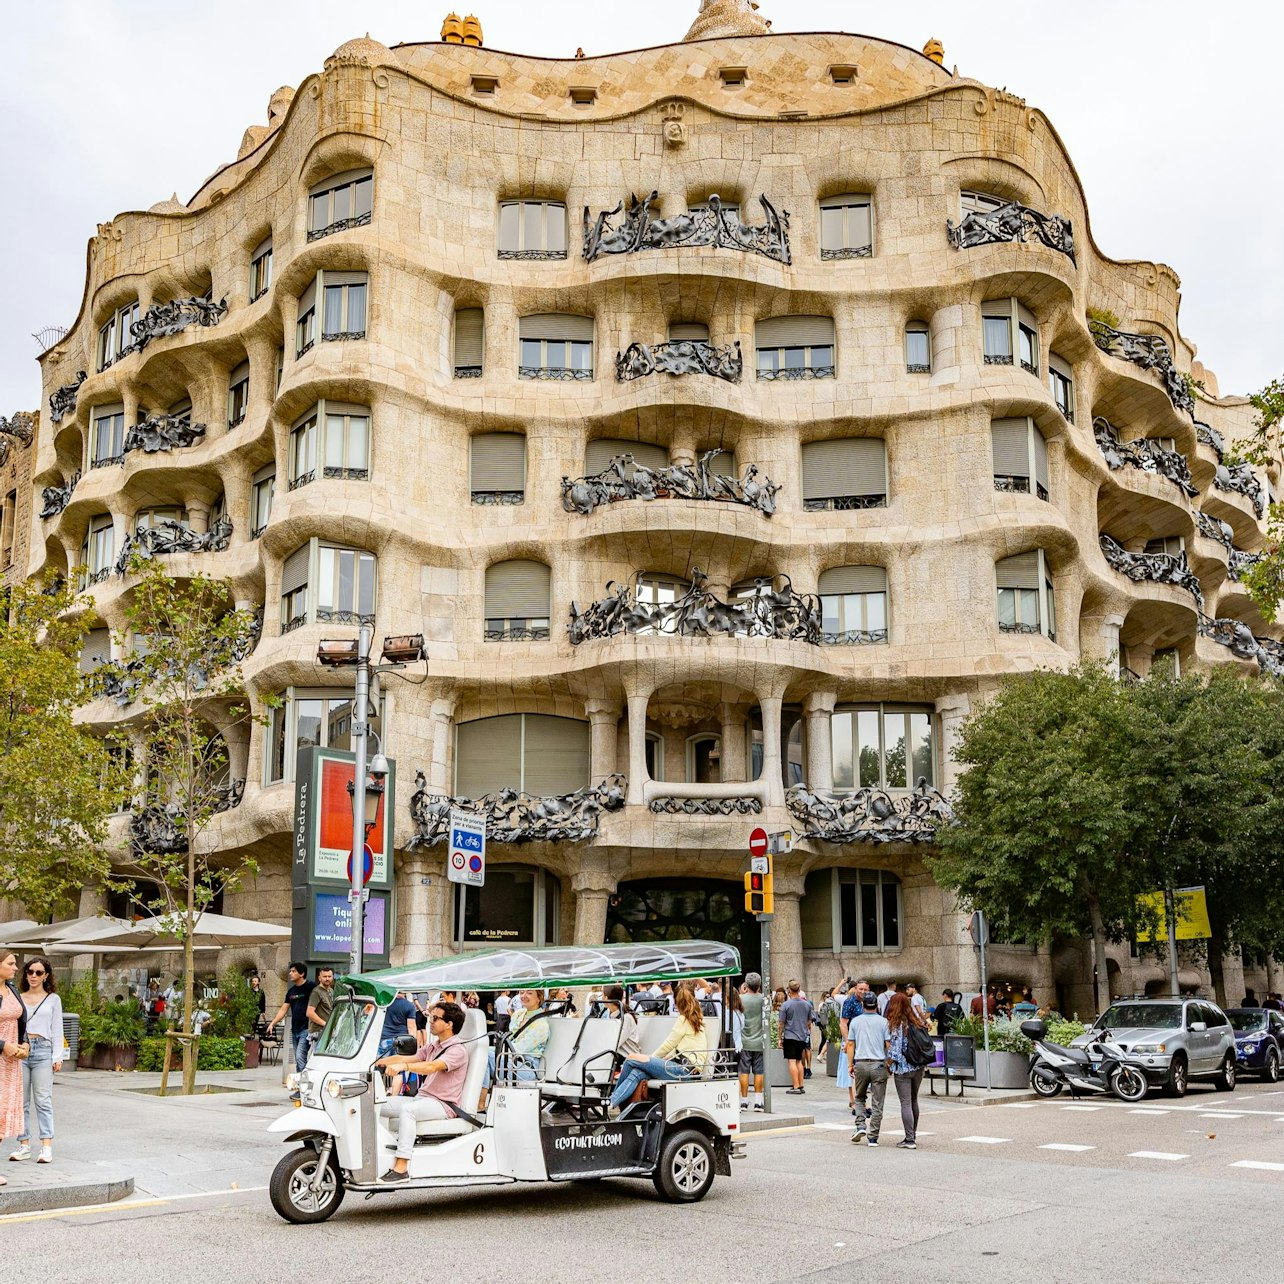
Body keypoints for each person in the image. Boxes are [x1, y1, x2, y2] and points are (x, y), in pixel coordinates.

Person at [375, 1001, 471, 1181]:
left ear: (449, 1024)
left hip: (443, 1105)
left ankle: (402, 1166)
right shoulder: (434, 1046)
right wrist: (375, 1062)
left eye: (435, 1018)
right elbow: (408, 1057)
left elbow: (431, 1066)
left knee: (408, 1110)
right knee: (374, 1102)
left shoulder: (457, 1050)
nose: (430, 1021)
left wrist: (403, 1067)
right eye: (430, 1017)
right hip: (423, 1099)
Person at [609, 980, 707, 1110]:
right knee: (637, 1073)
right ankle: (612, 1103)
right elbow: (683, 1046)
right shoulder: (696, 1017)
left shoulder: (683, 1019)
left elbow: (668, 1045)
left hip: (684, 1069)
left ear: (676, 1002)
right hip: (687, 1067)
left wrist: (651, 1060)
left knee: (631, 1059)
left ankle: (608, 1102)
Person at [9, 955, 63, 1165]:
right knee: (21, 1102)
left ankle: (46, 1147)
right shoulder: (17, 997)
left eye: (38, 972)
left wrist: (57, 1056)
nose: (33, 976)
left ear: (46, 975)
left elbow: (57, 1029)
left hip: (43, 1051)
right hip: (21, 1051)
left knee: (43, 1100)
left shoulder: (53, 999)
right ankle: (23, 1145)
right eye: (30, 972)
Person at [479, 989, 549, 1109]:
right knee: (479, 1053)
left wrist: (489, 1050)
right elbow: (510, 1041)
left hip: (526, 1068)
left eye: (529, 993)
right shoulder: (518, 1014)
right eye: (522, 992)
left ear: (539, 998)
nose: (524, 996)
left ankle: (480, 1104)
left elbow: (516, 1049)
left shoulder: (541, 1024)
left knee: (484, 1055)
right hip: (510, 1061)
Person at [0, 952, 31, 1186]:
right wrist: (3, 1045)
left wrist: (25, 1044)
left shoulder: (12, 990)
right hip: (2, 1054)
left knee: (3, 1112)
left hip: (12, 1062)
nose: (16, 967)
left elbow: (22, 1022)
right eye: (10, 963)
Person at [846, 991, 891, 1146]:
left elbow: (850, 1044)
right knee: (878, 1101)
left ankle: (860, 1125)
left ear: (862, 1005)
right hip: (879, 1063)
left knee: (859, 1097)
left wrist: (850, 1064)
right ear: (876, 1005)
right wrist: (889, 1063)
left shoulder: (855, 1022)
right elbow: (888, 1044)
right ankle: (873, 1136)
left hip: (861, 1063)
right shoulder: (884, 1022)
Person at [886, 992, 930, 1150]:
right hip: (918, 1066)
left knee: (905, 1103)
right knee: (913, 1100)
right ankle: (913, 1135)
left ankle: (909, 1139)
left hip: (903, 1068)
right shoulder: (916, 1022)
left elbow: (895, 1052)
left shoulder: (897, 1025)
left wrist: (887, 1065)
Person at [264, 962, 314, 1077]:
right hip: (295, 1029)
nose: (290, 973)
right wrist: (273, 1023)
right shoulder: (291, 992)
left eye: (293, 971)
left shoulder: (311, 987)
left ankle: (303, 1086)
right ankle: (301, 1085)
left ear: (302, 974)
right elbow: (283, 1010)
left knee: (300, 1057)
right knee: (298, 1059)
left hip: (306, 1029)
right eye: (290, 971)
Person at [839, 981, 870, 1120]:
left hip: (866, 1041)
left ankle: (859, 1102)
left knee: (862, 1071)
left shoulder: (869, 1001)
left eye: (865, 989)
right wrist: (847, 1040)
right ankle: (856, 1102)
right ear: (855, 989)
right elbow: (843, 1023)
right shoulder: (849, 1002)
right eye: (860, 989)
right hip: (853, 1041)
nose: (863, 991)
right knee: (854, 1071)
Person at [778, 980, 813, 1095]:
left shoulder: (786, 1005)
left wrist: (779, 1037)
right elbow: (809, 1022)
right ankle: (801, 1084)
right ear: (799, 989)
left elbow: (781, 1023)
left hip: (790, 1036)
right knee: (799, 1061)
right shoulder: (807, 1004)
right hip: (802, 1036)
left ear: (789, 990)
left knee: (792, 1061)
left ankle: (796, 1085)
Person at [738, 973, 766, 1112]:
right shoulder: (763, 999)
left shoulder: (740, 998)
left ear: (746, 985)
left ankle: (743, 1101)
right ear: (759, 985)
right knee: (759, 1072)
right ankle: (758, 1102)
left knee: (743, 1071)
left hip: (744, 1041)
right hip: (759, 1041)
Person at [378, 990, 418, 1058]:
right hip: (401, 1040)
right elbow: (411, 1027)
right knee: (399, 1065)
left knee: (381, 1064)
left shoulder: (385, 1003)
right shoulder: (410, 1006)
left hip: (384, 1038)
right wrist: (413, 1045)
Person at [305, 966, 335, 1052]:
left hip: (327, 1031)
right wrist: (325, 1024)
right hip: (317, 1032)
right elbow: (309, 1013)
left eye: (329, 976)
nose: (327, 979)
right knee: (316, 1058)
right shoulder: (316, 992)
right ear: (319, 978)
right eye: (324, 976)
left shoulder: (331, 991)